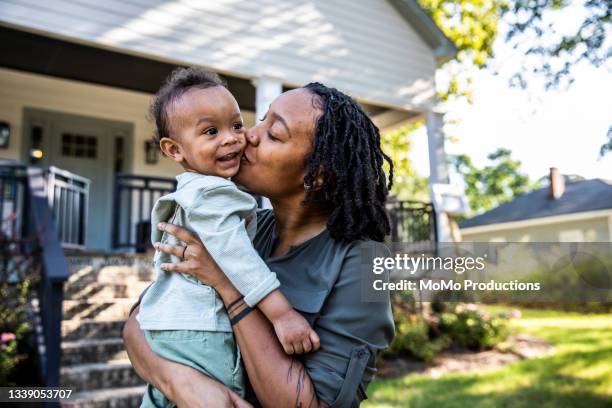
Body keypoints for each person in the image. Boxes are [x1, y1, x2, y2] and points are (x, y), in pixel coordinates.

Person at [123, 81, 396, 407]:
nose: (248, 135)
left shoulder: (363, 264)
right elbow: (139, 324)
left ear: (316, 173)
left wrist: (228, 287)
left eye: (274, 133)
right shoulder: (238, 226)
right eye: (261, 119)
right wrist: (183, 383)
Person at [136, 67, 319, 407]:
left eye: (236, 124)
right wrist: (281, 314)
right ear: (175, 150)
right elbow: (237, 257)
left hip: (171, 326)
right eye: (210, 131)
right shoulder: (211, 194)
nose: (233, 138)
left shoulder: (193, 190)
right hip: (202, 329)